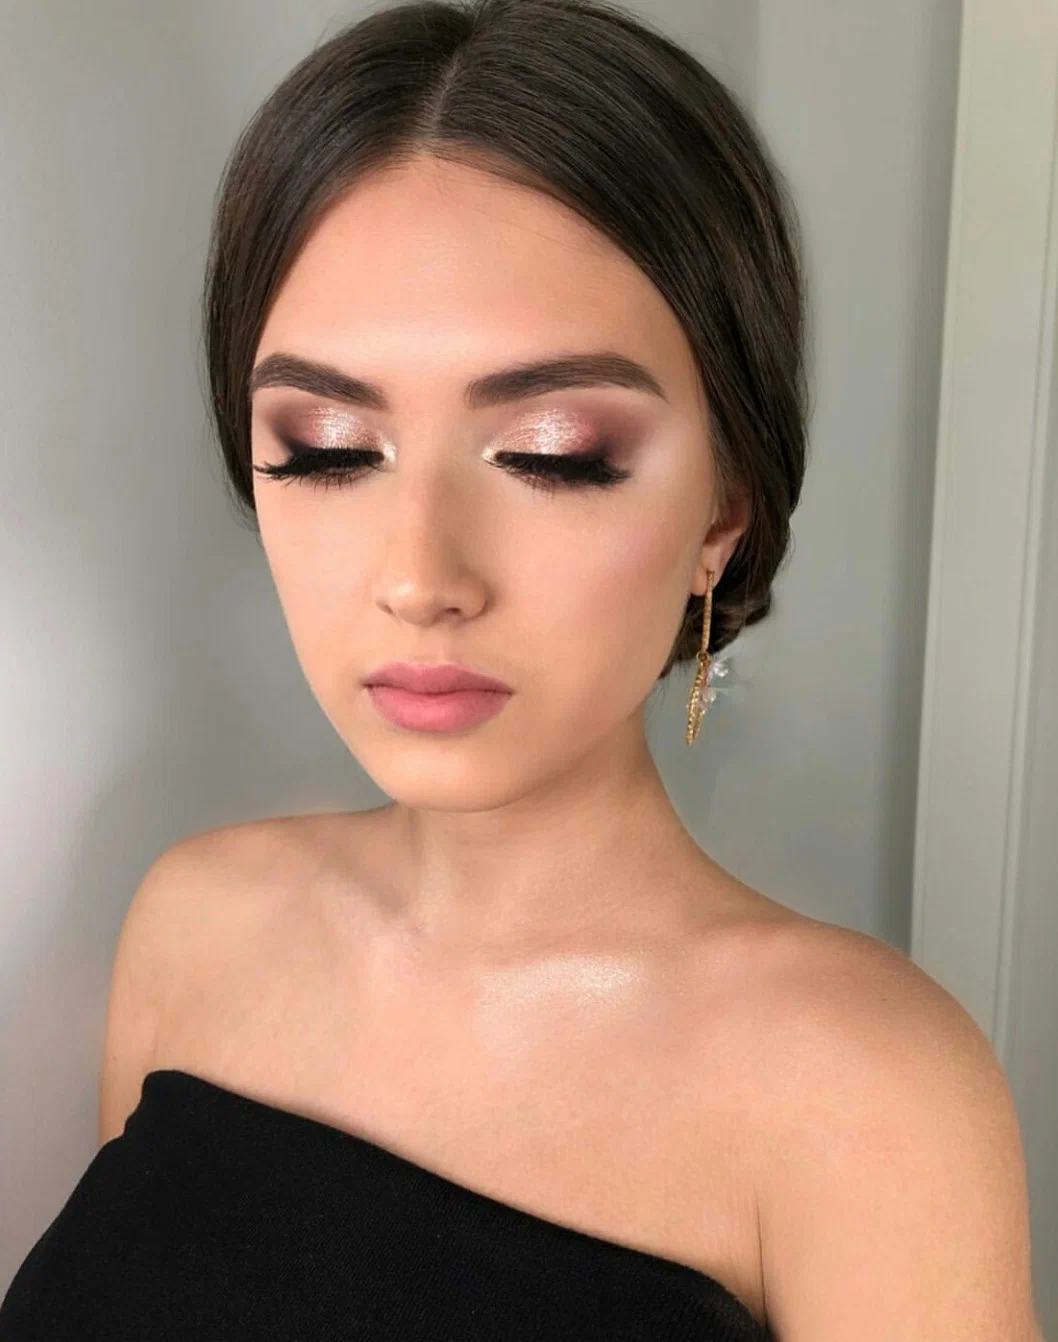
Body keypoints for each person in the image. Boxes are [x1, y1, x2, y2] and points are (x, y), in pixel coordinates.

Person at [1, 1, 1042, 1338]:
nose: (420, 574)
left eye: (552, 452)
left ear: (722, 509)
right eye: (326, 449)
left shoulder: (866, 1095)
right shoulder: (193, 925)